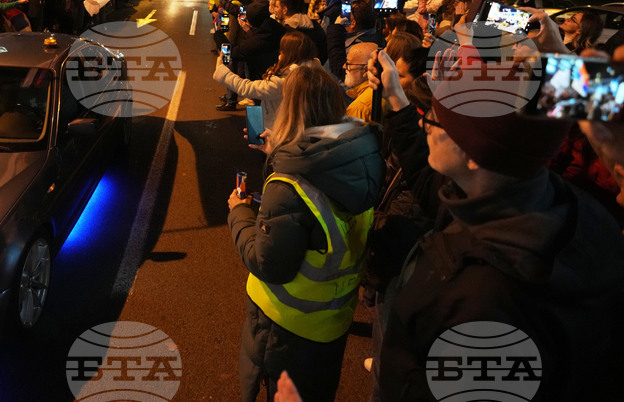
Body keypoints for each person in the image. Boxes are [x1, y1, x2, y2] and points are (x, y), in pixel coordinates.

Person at [368, 46, 624, 400]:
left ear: (475, 156)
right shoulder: (563, 204)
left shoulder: (484, 301)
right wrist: (397, 100)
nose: (425, 122)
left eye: (437, 120)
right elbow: (433, 187)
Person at [228, 64, 382, 402]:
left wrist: (238, 212)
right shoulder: (361, 154)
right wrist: (280, 151)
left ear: (291, 109)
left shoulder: (289, 186)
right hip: (333, 323)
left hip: (285, 327)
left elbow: (269, 263)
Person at [214, 30, 317, 130]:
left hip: (279, 131)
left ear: (288, 54)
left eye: (282, 49)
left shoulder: (284, 81)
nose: (279, 52)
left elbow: (246, 88)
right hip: (302, 129)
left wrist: (222, 70)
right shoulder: (316, 73)